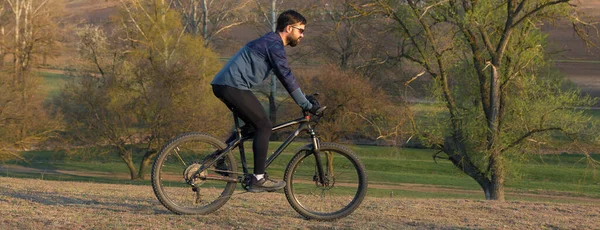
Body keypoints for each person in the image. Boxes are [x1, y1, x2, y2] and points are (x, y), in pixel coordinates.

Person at [211, 10, 320, 193]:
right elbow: (286, 77)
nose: (303, 35)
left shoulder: (271, 42)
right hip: (231, 86)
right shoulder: (274, 45)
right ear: (288, 28)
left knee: (254, 126)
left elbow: (287, 76)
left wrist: (304, 97)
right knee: (264, 126)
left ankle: (219, 157)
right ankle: (258, 178)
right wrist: (306, 104)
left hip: (226, 85)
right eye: (300, 30)